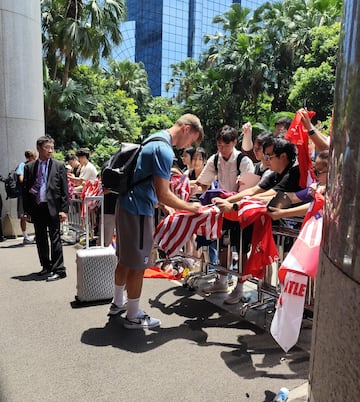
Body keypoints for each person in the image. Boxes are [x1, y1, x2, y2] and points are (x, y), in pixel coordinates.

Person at [108, 114, 204, 329]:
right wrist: (191, 207)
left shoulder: (153, 140)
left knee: (124, 259)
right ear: (186, 128)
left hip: (125, 204)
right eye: (192, 140)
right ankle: (133, 315)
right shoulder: (164, 149)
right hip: (139, 210)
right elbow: (164, 193)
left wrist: (165, 204)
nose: (188, 146)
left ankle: (117, 303)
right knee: (138, 265)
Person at [213, 136, 305, 304]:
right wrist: (230, 201)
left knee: (288, 268)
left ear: (283, 156)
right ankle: (271, 297)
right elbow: (255, 190)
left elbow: (271, 195)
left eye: (269, 156)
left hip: (294, 229)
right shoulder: (274, 173)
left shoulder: (294, 171)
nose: (266, 159)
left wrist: (235, 206)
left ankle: (290, 305)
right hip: (273, 225)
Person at [195, 125, 255, 294]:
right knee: (223, 247)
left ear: (235, 142)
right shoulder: (215, 159)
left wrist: (232, 201)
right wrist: (185, 188)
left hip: (240, 211)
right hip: (223, 211)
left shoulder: (244, 161)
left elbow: (248, 190)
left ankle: (240, 286)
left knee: (242, 250)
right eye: (219, 145)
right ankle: (222, 280)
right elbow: (202, 183)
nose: (222, 149)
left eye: (226, 145)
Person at [23, 135, 69, 281]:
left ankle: (59, 269)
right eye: (46, 148)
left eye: (52, 148)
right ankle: (46, 266)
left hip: (53, 207)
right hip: (37, 207)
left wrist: (64, 210)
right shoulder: (29, 167)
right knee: (41, 239)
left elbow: (64, 190)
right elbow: (26, 191)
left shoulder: (58, 166)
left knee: (55, 238)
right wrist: (26, 211)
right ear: (38, 148)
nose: (50, 151)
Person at [16, 149, 37, 244]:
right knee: (23, 215)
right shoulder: (22, 165)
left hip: (33, 193)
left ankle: (36, 234)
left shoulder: (35, 166)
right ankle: (25, 236)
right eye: (34, 157)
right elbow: (21, 179)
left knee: (36, 214)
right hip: (24, 194)